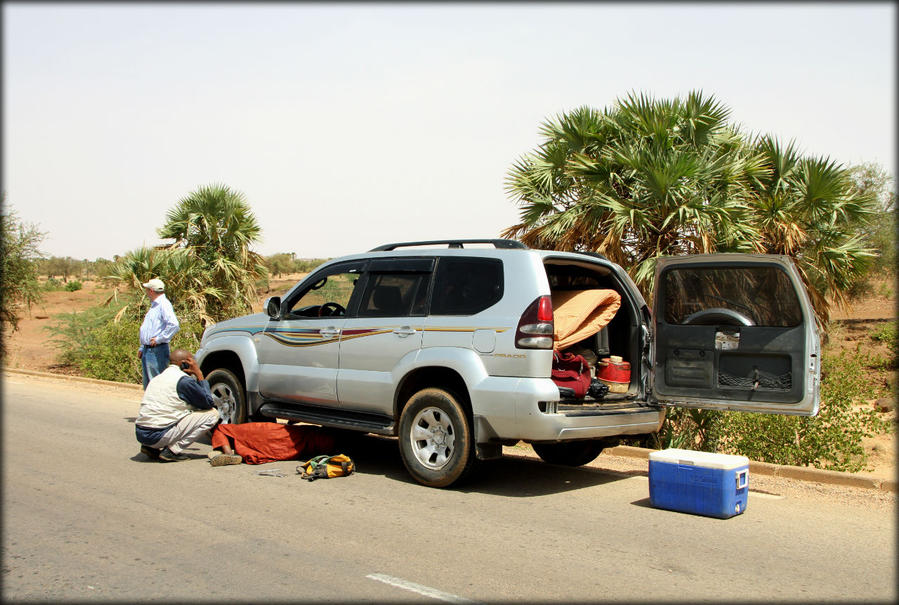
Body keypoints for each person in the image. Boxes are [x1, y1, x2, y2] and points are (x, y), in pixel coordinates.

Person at [135, 349, 220, 462]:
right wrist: (199, 375)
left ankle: (150, 447)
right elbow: (208, 403)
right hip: (157, 435)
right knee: (212, 414)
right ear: (184, 363)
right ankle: (172, 451)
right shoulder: (183, 381)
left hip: (141, 434)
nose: (194, 363)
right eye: (192, 361)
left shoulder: (158, 378)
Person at [207, 422, 337, 466]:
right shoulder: (240, 430)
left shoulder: (231, 429)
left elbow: (220, 429)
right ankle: (229, 453)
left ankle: (229, 453)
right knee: (307, 437)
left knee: (307, 440)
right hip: (296, 435)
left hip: (304, 444)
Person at [137, 277, 180, 389]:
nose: (146, 292)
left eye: (147, 290)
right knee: (149, 385)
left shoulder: (163, 304)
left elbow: (174, 324)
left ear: (151, 290)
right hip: (148, 349)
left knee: (156, 384)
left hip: (156, 350)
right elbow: (150, 328)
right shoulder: (155, 305)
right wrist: (142, 347)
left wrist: (159, 338)